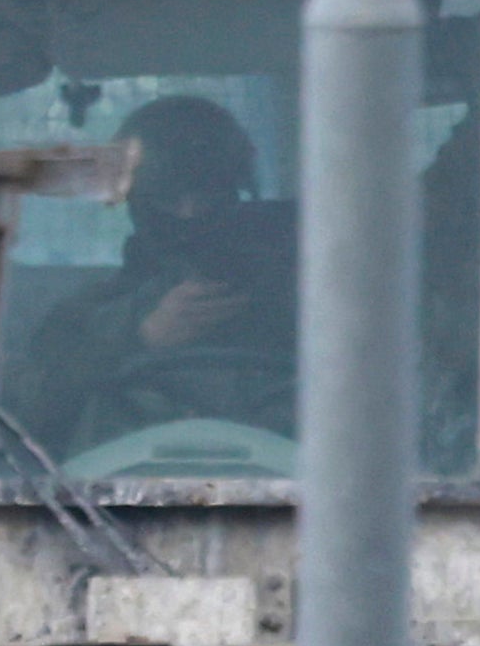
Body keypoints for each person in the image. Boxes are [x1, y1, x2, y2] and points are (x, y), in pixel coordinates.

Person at [18, 92, 297, 455]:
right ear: (135, 198)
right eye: (167, 198)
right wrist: (142, 336)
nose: (189, 214)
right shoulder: (88, 316)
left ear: (235, 192)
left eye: (208, 197)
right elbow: (24, 424)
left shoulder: (310, 289)